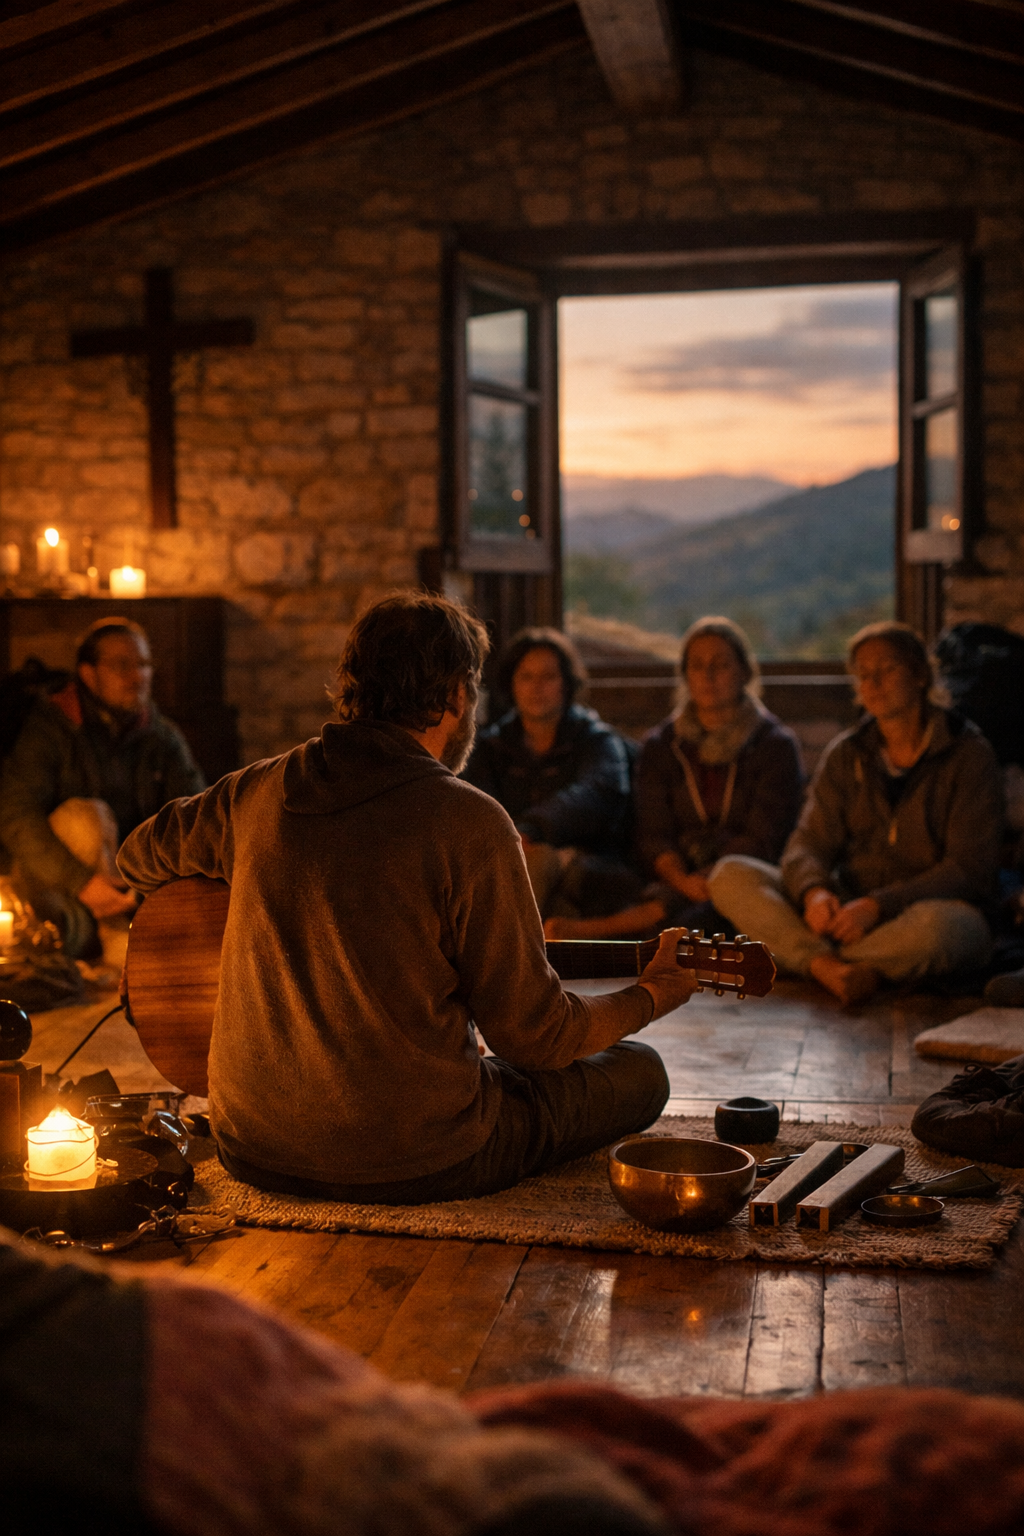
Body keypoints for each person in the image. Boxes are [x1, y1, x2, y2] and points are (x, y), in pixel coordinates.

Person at [117, 594, 695, 1205]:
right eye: (471, 687)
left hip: (252, 1145)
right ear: (454, 695)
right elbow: (536, 1038)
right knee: (639, 1072)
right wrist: (652, 994)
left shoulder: (255, 791)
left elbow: (136, 854)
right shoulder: (471, 822)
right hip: (419, 1157)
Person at [709, 621, 1004, 1005]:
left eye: (887, 669)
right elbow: (806, 844)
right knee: (730, 874)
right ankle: (837, 969)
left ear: (919, 674)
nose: (874, 682)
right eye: (863, 674)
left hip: (916, 913)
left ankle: (811, 961)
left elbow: (969, 868)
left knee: (946, 931)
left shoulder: (968, 755)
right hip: (846, 912)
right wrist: (815, 892)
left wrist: (880, 905)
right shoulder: (847, 754)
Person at [546, 617, 803, 941]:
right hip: (673, 876)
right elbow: (653, 831)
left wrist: (710, 878)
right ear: (685, 675)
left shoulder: (774, 744)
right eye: (697, 666)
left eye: (720, 664)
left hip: (741, 874)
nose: (708, 676)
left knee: (723, 908)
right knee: (590, 875)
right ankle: (647, 925)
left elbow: (764, 835)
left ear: (745, 672)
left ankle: (603, 932)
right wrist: (681, 879)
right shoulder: (663, 744)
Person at [0, 617, 205, 960]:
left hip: (135, 881)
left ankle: (135, 937)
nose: (137, 676)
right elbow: (14, 812)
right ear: (88, 673)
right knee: (87, 816)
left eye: (143, 664)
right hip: (62, 881)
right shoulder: (52, 728)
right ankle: (111, 940)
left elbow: (197, 813)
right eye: (121, 665)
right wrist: (81, 881)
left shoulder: (161, 737)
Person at [462, 628, 643, 922]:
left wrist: (531, 830)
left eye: (548, 677)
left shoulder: (596, 740)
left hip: (591, 865)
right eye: (526, 677)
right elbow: (475, 803)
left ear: (566, 683)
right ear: (511, 683)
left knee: (540, 863)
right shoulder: (491, 746)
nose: (537, 687)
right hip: (512, 860)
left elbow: (595, 793)